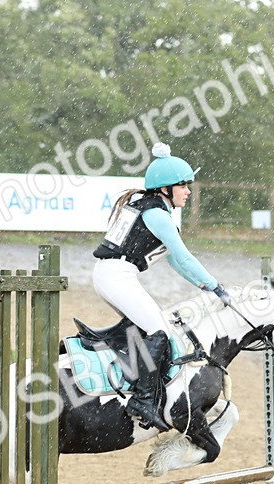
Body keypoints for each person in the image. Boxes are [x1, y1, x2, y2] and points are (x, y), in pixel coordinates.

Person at [92, 142, 231, 431]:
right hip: (117, 276)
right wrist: (215, 285)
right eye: (183, 186)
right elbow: (184, 256)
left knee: (150, 328)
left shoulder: (151, 209)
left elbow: (176, 263)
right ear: (166, 188)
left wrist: (206, 287)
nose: (188, 192)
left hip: (111, 275)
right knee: (160, 332)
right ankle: (142, 400)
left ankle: (131, 379)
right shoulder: (156, 214)